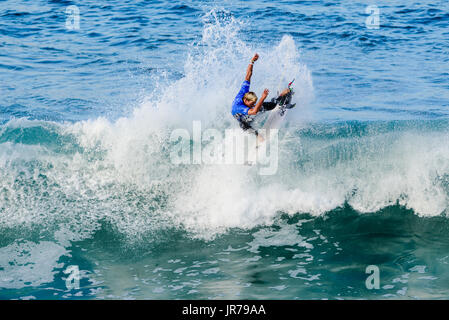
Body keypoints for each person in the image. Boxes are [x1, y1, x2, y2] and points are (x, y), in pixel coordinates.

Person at [231, 53, 295, 137]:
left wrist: (252, 61)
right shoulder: (239, 107)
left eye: (254, 103)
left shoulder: (244, 91)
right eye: (252, 103)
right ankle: (258, 137)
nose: (253, 104)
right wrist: (263, 97)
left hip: (249, 110)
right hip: (241, 117)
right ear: (246, 101)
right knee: (244, 126)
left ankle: (280, 97)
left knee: (270, 105)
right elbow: (254, 112)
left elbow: (248, 75)